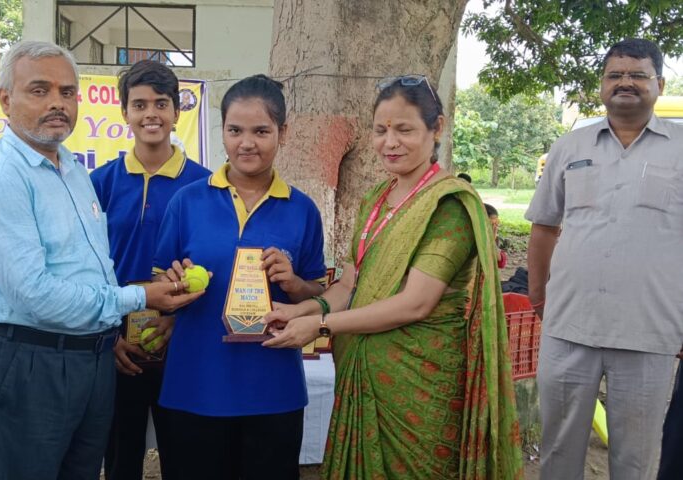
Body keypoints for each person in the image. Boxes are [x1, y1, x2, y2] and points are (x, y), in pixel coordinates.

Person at [0, 41, 201, 480]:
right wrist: (138, 298)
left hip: (92, 357)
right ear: (6, 99)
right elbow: (35, 295)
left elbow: (93, 266)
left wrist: (111, 331)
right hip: (32, 357)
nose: (57, 103)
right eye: (40, 90)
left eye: (67, 92)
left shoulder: (71, 171)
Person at [263, 75, 522, 479]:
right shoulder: (375, 200)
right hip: (365, 377)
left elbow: (415, 303)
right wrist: (302, 310)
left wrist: (321, 325)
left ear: (437, 128)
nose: (390, 142)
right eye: (380, 130)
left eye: (404, 130)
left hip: (422, 386)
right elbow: (349, 285)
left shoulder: (449, 206)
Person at [152, 74, 327, 480]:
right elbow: (157, 286)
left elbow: (317, 291)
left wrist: (293, 282)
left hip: (273, 388)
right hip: (195, 384)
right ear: (223, 132)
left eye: (261, 131)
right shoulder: (187, 201)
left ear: (283, 133)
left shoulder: (302, 209)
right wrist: (173, 284)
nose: (246, 143)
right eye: (235, 130)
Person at [526, 38, 683, 479]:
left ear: (660, 84)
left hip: (649, 331)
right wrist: (538, 296)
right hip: (568, 327)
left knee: (634, 459)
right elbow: (544, 226)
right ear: (602, 84)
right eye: (615, 75)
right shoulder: (570, 147)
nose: (625, 82)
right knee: (558, 451)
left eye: (637, 75)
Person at [89, 59, 210, 480]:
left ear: (177, 111)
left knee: (185, 458)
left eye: (161, 103)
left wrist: (178, 322)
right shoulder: (100, 182)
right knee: (120, 458)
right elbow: (86, 265)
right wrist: (110, 335)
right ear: (124, 112)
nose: (150, 114)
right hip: (117, 343)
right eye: (139, 105)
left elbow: (214, 264)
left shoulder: (206, 186)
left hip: (182, 341)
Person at [485, 203, 508, 269]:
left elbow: (501, 262)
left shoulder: (492, 238)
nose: (496, 227)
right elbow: (500, 261)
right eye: (492, 224)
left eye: (496, 223)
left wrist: (492, 239)